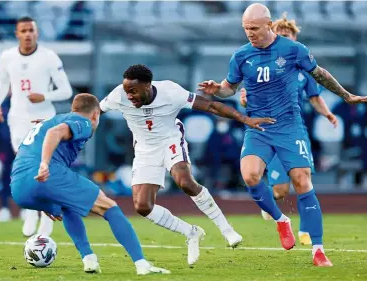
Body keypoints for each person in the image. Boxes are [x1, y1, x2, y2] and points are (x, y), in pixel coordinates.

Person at [197, 3, 367, 267]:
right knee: (250, 175)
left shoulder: (293, 50)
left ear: (268, 25)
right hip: (258, 128)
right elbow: (228, 89)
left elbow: (319, 75)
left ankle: (318, 250)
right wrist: (216, 88)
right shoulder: (241, 56)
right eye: (245, 29)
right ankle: (281, 220)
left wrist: (346, 96)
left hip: (289, 127)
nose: (249, 33)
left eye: (254, 28)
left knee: (302, 181)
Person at [100, 64, 275, 265]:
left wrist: (245, 119)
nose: (129, 96)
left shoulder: (170, 92)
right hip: (144, 150)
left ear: (148, 85)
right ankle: (191, 232)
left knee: (185, 182)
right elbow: (95, 110)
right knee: (142, 206)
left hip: (170, 140)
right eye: (126, 91)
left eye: (133, 91)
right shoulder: (118, 95)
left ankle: (227, 230)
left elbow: (211, 106)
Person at [11, 93, 169, 275]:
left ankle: (89, 260)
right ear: (95, 114)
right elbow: (53, 133)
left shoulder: (54, 119)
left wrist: (44, 192)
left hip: (18, 187)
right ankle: (142, 265)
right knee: (110, 208)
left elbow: (34, 144)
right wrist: (45, 164)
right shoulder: (83, 122)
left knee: (67, 206)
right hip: (46, 174)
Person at [238, 13, 339, 246]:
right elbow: (248, 98)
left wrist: (328, 113)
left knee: (303, 179)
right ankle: (273, 207)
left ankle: (306, 231)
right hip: (267, 130)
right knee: (281, 191)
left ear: (294, 38)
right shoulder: (261, 65)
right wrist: (244, 101)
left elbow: (314, 97)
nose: (284, 40)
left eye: (288, 36)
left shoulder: (303, 68)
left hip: (294, 128)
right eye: (281, 35)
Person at [0, 16, 73, 236]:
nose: (27, 34)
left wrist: (44, 96)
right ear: (17, 34)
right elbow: (3, 82)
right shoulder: (7, 57)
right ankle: (30, 210)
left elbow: (66, 91)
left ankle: (45, 222)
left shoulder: (48, 57)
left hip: (44, 118)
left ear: (37, 33)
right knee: (25, 167)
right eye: (23, 30)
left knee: (43, 165)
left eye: (31, 30)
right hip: (17, 119)